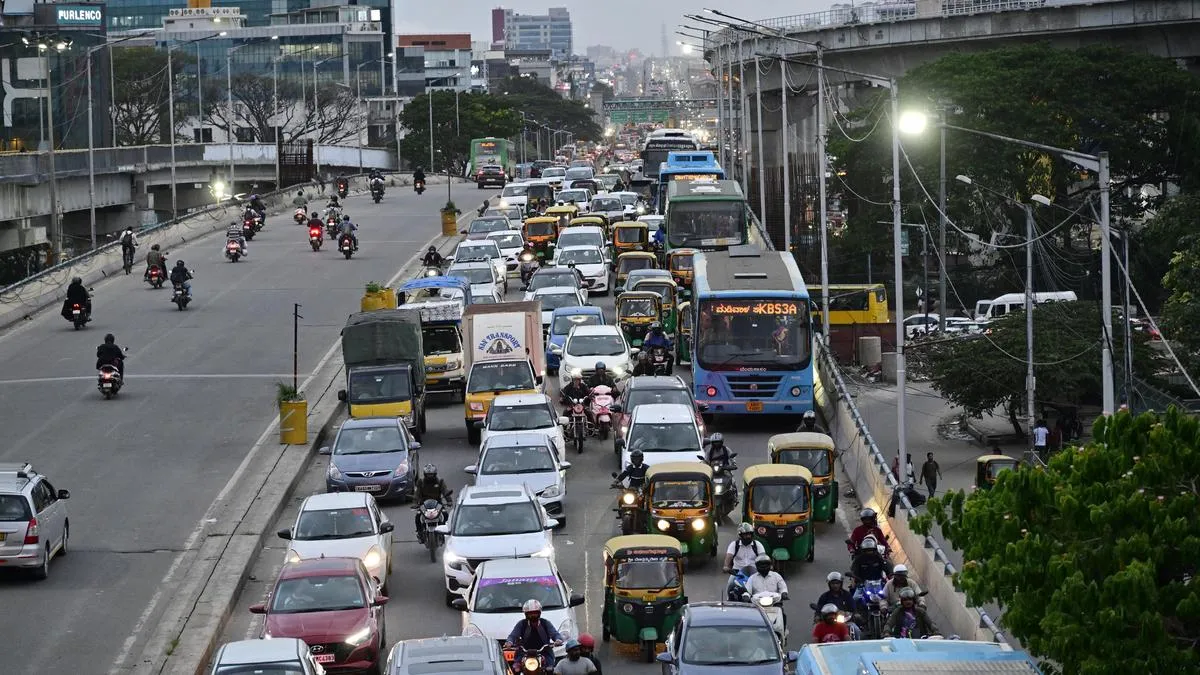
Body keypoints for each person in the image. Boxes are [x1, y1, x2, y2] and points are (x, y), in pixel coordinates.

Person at [723, 522, 766, 598]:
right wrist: (726, 566)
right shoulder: (734, 545)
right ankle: (729, 601)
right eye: (745, 534)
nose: (748, 536)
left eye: (749, 534)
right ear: (740, 535)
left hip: (755, 573)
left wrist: (766, 566)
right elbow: (729, 556)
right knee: (730, 585)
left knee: (765, 589)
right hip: (737, 573)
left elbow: (763, 557)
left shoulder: (757, 544)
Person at [413, 464, 452, 543]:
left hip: (438, 503)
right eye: (428, 475)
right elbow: (417, 494)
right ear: (425, 474)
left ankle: (445, 532)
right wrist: (415, 503)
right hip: (424, 504)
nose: (430, 476)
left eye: (431, 474)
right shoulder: (420, 482)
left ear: (435, 474)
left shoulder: (440, 482)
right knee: (417, 516)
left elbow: (445, 491)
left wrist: (449, 501)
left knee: (445, 515)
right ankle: (420, 533)